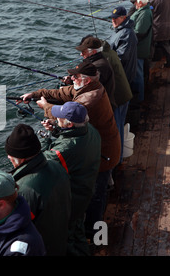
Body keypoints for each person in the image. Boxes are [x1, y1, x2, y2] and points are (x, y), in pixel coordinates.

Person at [20, 62, 120, 238]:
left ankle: (94, 234)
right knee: (99, 187)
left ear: (87, 80)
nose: (71, 78)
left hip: (104, 152)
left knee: (96, 195)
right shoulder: (84, 89)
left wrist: (47, 109)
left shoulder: (88, 99)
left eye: (76, 76)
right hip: (95, 144)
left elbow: (69, 116)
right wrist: (34, 95)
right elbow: (60, 94)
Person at [40, 102, 101, 255]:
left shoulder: (63, 151)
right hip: (86, 190)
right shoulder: (91, 130)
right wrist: (56, 130)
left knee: (66, 236)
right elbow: (71, 140)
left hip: (73, 198)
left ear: (69, 124)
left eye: (59, 117)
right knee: (78, 228)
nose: (56, 118)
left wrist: (47, 137)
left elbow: (42, 162)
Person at [4, 123, 71, 256]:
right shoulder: (56, 166)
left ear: (20, 159)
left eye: (11, 157)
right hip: (62, 239)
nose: (8, 158)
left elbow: (15, 229)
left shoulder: (23, 190)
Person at [101, 40, 132, 164]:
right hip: (125, 95)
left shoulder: (104, 59)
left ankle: (117, 160)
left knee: (117, 129)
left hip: (119, 98)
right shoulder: (112, 53)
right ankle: (120, 156)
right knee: (120, 126)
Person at [74, 36, 116, 109]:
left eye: (83, 52)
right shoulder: (99, 61)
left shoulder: (98, 66)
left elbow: (89, 87)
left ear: (93, 52)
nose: (81, 54)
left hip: (103, 106)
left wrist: (73, 81)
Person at [130, 0, 153, 103]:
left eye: (135, 2)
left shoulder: (144, 14)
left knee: (138, 75)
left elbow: (140, 32)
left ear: (139, 3)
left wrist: (127, 32)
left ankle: (140, 99)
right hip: (139, 48)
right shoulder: (143, 11)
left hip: (139, 50)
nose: (134, 4)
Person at [108, 6, 139, 87]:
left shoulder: (126, 34)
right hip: (122, 72)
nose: (113, 20)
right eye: (112, 18)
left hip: (124, 74)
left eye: (116, 18)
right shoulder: (120, 30)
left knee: (122, 97)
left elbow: (121, 57)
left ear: (124, 18)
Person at [150, 0, 170, 68]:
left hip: (157, 27)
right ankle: (169, 63)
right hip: (169, 27)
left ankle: (150, 62)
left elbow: (149, 10)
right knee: (166, 46)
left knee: (151, 45)